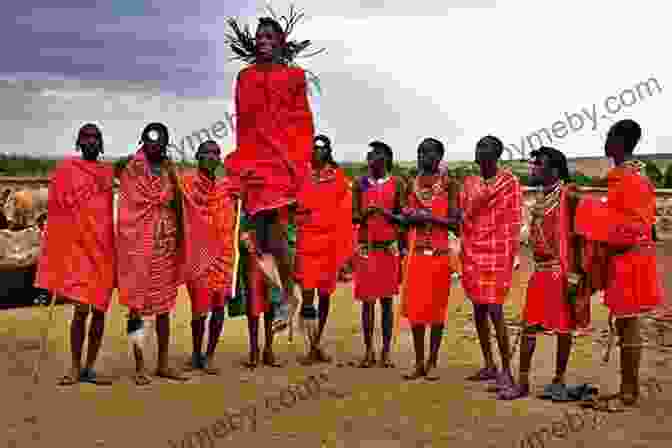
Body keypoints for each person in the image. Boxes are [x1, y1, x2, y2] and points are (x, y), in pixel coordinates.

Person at [224, 9, 323, 335]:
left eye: (269, 37)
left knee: (278, 234)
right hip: (255, 161)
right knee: (261, 239)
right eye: (259, 37)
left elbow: (302, 120)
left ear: (280, 42)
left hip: (284, 162)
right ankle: (283, 295)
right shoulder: (245, 77)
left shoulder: (294, 77)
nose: (263, 42)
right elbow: (242, 122)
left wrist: (299, 161)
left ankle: (286, 296)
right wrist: (243, 164)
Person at [116, 123, 219, 385]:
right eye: (150, 141)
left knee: (164, 309)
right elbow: (128, 206)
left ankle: (162, 363)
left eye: (160, 141)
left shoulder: (170, 171)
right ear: (143, 142)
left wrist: (186, 236)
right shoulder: (132, 169)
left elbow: (179, 205)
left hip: (165, 246)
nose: (155, 145)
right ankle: (139, 366)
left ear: (165, 144)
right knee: (137, 309)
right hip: (138, 247)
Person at [575, 119, 663, 407]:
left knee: (628, 324)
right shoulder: (622, 178)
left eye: (610, 135)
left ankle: (629, 391)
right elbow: (611, 213)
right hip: (622, 258)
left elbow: (633, 226)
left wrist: (585, 208)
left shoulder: (632, 181)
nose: (606, 140)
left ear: (621, 142)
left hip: (630, 258)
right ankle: (628, 388)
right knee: (626, 322)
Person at [35, 123, 116, 386]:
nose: (91, 142)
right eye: (87, 137)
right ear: (79, 143)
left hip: (104, 249)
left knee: (100, 312)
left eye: (95, 138)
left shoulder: (107, 172)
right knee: (81, 310)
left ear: (101, 144)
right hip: (79, 250)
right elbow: (58, 207)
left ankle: (90, 368)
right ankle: (74, 366)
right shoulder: (66, 170)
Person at [497, 146, 578, 400]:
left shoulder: (569, 195)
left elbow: (579, 237)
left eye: (538, 164)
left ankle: (558, 380)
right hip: (540, 271)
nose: (533, 168)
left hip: (560, 271)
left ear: (554, 169)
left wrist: (576, 274)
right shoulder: (542, 197)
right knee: (529, 326)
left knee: (564, 328)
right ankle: (522, 382)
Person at [459, 135, 522, 389]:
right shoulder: (470, 183)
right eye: (478, 146)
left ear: (497, 154)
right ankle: (488, 364)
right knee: (479, 309)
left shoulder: (509, 182)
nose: (479, 150)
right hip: (474, 250)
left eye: (485, 146)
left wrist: (508, 252)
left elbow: (513, 220)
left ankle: (507, 369)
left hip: (497, 253)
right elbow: (463, 215)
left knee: (495, 309)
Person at [399, 138, 461, 380]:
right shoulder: (410, 184)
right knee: (415, 311)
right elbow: (405, 217)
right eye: (419, 152)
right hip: (415, 255)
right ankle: (419, 362)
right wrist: (413, 216)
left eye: (428, 152)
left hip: (439, 255)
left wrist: (429, 217)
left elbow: (455, 223)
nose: (422, 156)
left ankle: (433, 362)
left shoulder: (449, 185)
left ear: (439, 157)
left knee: (436, 311)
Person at [294, 134, 353, 363]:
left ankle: (316, 344)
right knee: (308, 296)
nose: (315, 151)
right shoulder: (303, 175)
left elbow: (345, 210)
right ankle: (311, 344)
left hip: (329, 244)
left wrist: (344, 249)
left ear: (328, 151)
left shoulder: (338, 177)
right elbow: (295, 203)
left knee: (325, 296)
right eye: (313, 148)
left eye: (320, 148)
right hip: (308, 242)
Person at [180, 141, 236, 374]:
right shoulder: (186, 183)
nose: (212, 157)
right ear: (198, 157)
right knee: (199, 311)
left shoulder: (227, 187)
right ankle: (196, 353)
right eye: (207, 153)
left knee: (219, 308)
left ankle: (210, 355)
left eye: (216, 154)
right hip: (198, 257)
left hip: (224, 255)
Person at [352, 141, 406, 368]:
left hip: (388, 248)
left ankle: (385, 351)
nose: (371, 158)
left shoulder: (397, 184)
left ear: (386, 159)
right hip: (366, 247)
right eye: (370, 154)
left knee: (386, 302)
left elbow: (403, 217)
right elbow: (354, 217)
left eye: (376, 154)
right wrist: (365, 214)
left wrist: (384, 213)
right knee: (367, 302)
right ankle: (368, 351)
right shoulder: (360, 184)